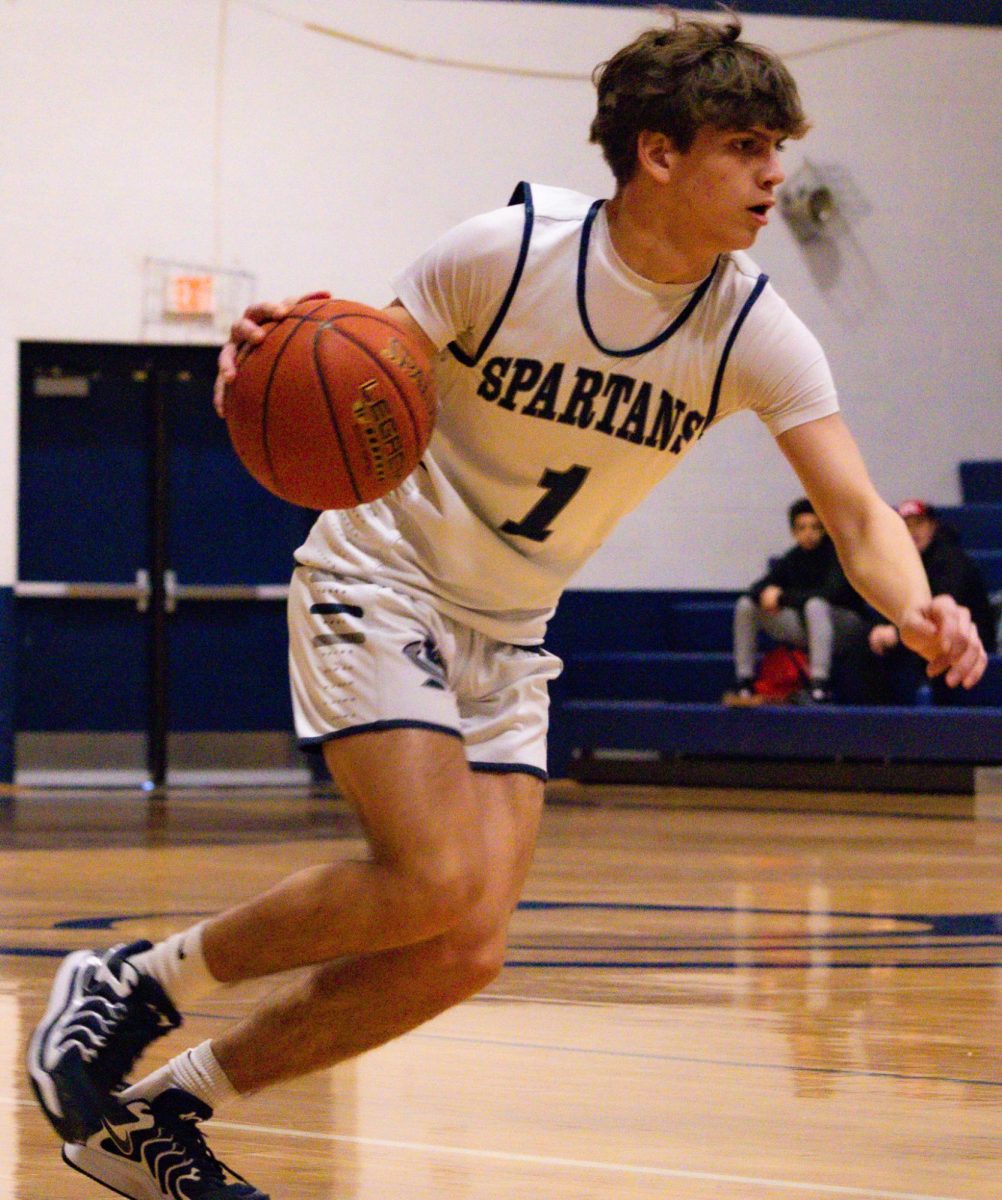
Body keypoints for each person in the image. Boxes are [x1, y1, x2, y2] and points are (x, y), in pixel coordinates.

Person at [28, 13, 987, 1200]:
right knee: (430, 873)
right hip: (385, 577)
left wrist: (925, 600)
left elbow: (851, 513)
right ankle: (135, 984)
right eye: (746, 143)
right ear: (659, 155)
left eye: (779, 145)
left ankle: (166, 1110)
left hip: (511, 631)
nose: (775, 172)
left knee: (464, 948)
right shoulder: (505, 252)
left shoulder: (753, 330)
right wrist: (259, 358)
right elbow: (346, 365)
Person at [726, 497, 868, 704]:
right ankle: (744, 681)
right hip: (809, 627)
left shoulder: (838, 554)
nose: (809, 533)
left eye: (815, 527)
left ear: (824, 528)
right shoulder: (792, 558)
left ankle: (819, 684)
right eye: (802, 528)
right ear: (794, 532)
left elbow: (831, 594)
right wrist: (767, 596)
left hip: (845, 625)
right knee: (746, 605)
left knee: (816, 605)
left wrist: (782, 598)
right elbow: (757, 589)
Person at [865, 498, 996, 703]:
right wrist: (881, 628)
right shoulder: (896, 563)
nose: (913, 531)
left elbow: (947, 608)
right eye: (906, 525)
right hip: (920, 636)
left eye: (919, 524)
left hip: (968, 638)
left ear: (932, 526)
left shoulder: (953, 560)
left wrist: (897, 633)